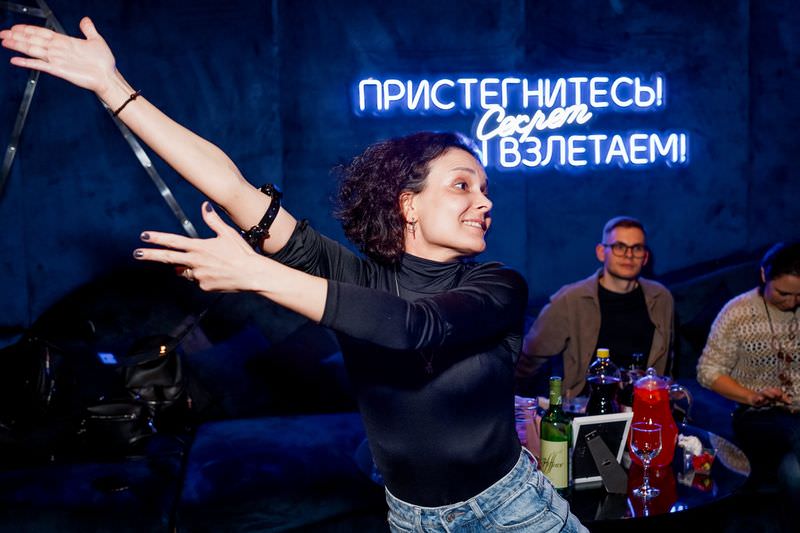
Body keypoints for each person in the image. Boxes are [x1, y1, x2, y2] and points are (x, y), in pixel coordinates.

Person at [1, 18, 587, 532]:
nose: (484, 200)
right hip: (410, 518)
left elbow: (413, 327)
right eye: (462, 184)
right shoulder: (354, 278)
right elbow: (232, 189)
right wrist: (112, 87)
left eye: (485, 188)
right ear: (408, 204)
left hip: (512, 512)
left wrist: (256, 273)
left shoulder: (497, 286)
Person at [516, 216, 674, 399]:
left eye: (636, 248)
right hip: (587, 407)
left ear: (645, 257)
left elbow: (667, 364)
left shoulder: (660, 298)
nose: (628, 255)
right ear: (601, 252)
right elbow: (528, 359)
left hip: (646, 404)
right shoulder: (571, 300)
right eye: (619, 247)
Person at [696, 242, 800, 510]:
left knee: (793, 471)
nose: (792, 302)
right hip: (757, 414)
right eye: (783, 293)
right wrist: (751, 396)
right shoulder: (738, 312)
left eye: (799, 295)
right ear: (764, 275)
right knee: (794, 431)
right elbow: (708, 371)